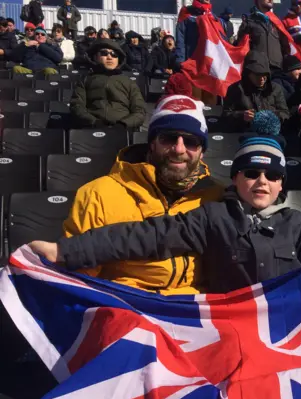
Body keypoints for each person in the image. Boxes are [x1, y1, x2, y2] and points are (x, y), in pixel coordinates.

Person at [30, 135, 301, 294]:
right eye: (252, 172)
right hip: (230, 325)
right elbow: (147, 236)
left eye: (273, 175)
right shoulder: (213, 216)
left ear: (282, 184)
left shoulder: (296, 222)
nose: (262, 181)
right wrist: (66, 251)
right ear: (236, 178)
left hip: (286, 324)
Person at [53, 96, 224, 294]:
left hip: (196, 309)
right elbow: (80, 282)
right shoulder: (98, 194)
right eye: (168, 138)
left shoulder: (217, 197)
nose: (179, 149)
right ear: (152, 143)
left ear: (202, 151)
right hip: (127, 304)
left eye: (191, 141)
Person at [70, 39, 146, 129]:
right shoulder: (85, 80)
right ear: (95, 56)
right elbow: (77, 106)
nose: (109, 57)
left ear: (119, 60)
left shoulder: (129, 83)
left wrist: (123, 125)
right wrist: (93, 122)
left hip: (123, 131)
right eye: (104, 53)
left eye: (114, 55)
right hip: (91, 130)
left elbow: (139, 111)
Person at [222, 50, 289, 132]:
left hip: (271, 135)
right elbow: (225, 115)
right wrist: (242, 116)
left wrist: (271, 116)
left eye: (264, 75)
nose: (261, 79)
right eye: (257, 75)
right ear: (248, 73)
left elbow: (285, 113)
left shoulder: (275, 89)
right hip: (244, 135)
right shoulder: (236, 89)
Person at [177, 0, 226, 103]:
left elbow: (220, 42)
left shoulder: (214, 17)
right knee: (194, 100)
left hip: (210, 67)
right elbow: (181, 40)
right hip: (193, 66)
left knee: (210, 104)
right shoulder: (187, 14)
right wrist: (180, 61)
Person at [236, 0, 291, 73]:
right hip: (258, 70)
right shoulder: (249, 22)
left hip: (277, 70)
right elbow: (241, 47)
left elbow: (285, 47)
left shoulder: (277, 22)